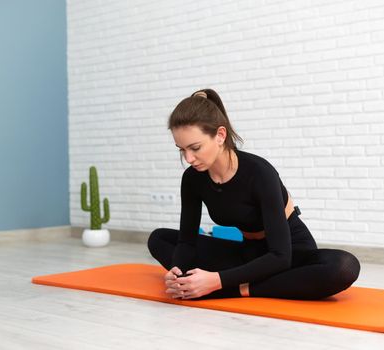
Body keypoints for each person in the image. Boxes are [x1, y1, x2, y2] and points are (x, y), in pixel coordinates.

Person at [148, 88, 360, 300]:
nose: (189, 158)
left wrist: (217, 280)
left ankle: (233, 290)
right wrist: (176, 271)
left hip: (288, 252)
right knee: (159, 238)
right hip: (248, 253)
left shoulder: (259, 172)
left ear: (220, 135)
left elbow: (280, 256)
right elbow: (186, 242)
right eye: (181, 149)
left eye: (195, 147)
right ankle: (219, 283)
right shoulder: (192, 179)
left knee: (343, 266)